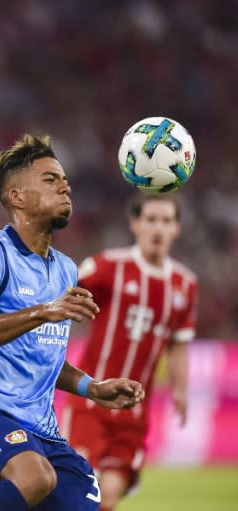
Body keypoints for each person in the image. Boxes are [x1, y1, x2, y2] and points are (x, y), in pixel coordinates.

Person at [0, 134, 146, 511]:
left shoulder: (65, 269)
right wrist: (43, 311)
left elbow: (44, 356)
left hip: (40, 428)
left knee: (86, 498)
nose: (65, 186)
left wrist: (92, 388)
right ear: (17, 197)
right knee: (35, 477)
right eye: (50, 179)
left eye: (64, 179)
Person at [61, 194, 197, 511]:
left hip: (133, 411)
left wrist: (180, 389)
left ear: (176, 228)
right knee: (80, 490)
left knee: (108, 495)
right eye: (150, 219)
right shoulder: (110, 266)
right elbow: (63, 292)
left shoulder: (185, 284)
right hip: (89, 405)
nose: (158, 228)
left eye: (166, 220)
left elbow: (178, 343)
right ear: (135, 224)